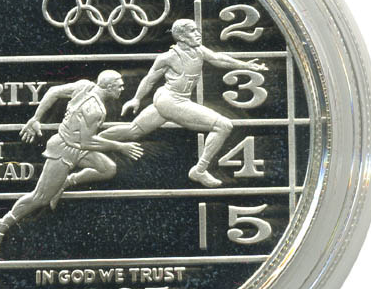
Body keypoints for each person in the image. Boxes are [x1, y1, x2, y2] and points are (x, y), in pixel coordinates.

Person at [0, 70, 143, 255]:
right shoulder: (94, 109)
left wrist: (36, 118)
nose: (122, 89)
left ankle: (65, 182)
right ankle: (1, 225)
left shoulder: (84, 85)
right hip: (64, 149)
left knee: (108, 168)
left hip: (78, 146)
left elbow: (53, 91)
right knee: (40, 197)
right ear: (109, 87)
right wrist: (120, 147)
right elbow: (87, 142)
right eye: (119, 86)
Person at [100, 19, 268, 187]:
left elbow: (218, 59)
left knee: (133, 131)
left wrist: (246, 65)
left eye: (197, 30)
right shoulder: (168, 57)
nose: (198, 34)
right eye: (193, 31)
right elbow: (150, 79)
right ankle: (200, 170)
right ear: (181, 36)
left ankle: (95, 141)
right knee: (223, 125)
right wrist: (136, 99)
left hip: (169, 100)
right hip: (172, 101)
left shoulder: (199, 50)